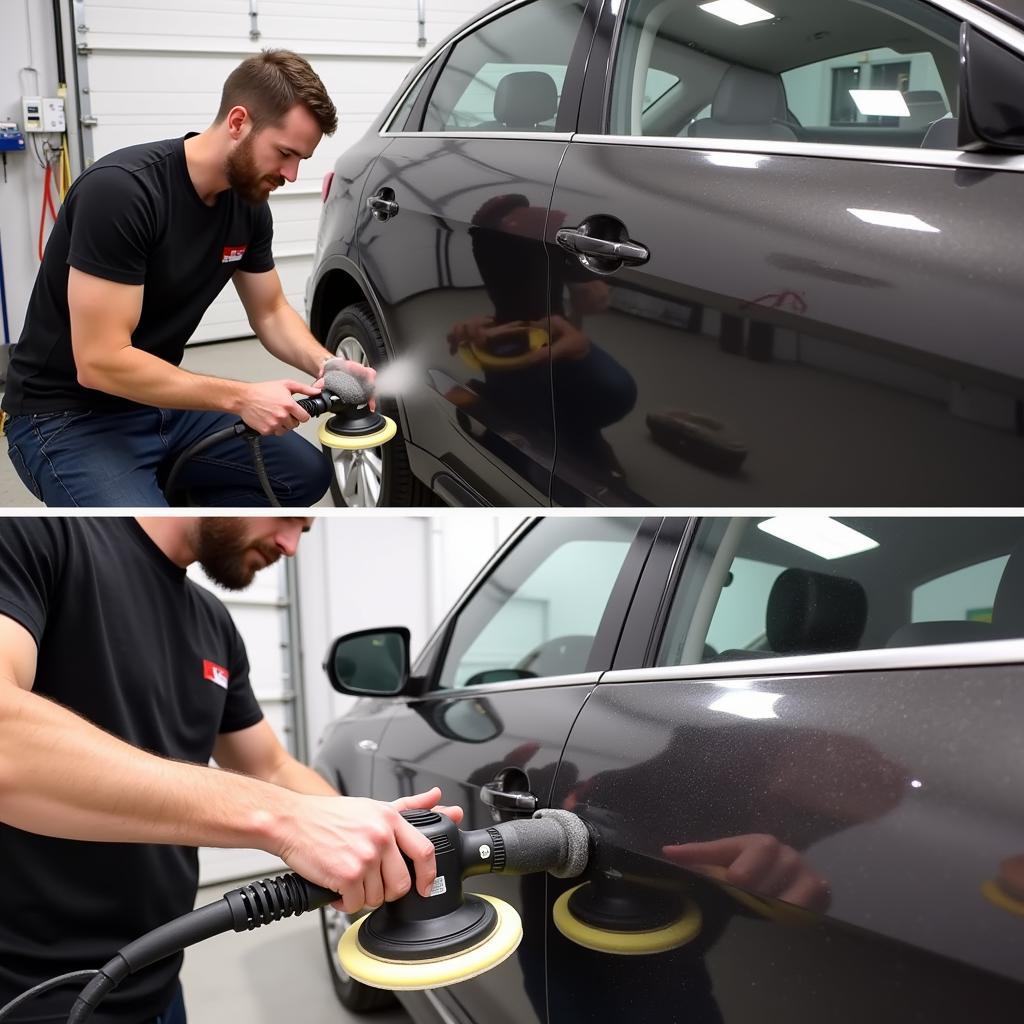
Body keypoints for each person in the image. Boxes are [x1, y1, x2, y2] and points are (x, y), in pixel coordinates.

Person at [0, 516, 461, 1023]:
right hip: (29, 993)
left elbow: (271, 765)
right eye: (288, 522)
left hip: (154, 976)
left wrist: (375, 834)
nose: (289, 546)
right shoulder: (38, 534)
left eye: (305, 531)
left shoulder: (211, 619)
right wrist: (284, 820)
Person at [1, 50, 368, 507]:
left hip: (156, 402)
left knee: (303, 477)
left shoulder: (248, 206)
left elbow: (271, 312)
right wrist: (242, 398)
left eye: (302, 159)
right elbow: (100, 363)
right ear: (238, 122)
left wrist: (326, 364)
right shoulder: (122, 192)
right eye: (285, 154)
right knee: (143, 542)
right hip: (65, 415)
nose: (292, 176)